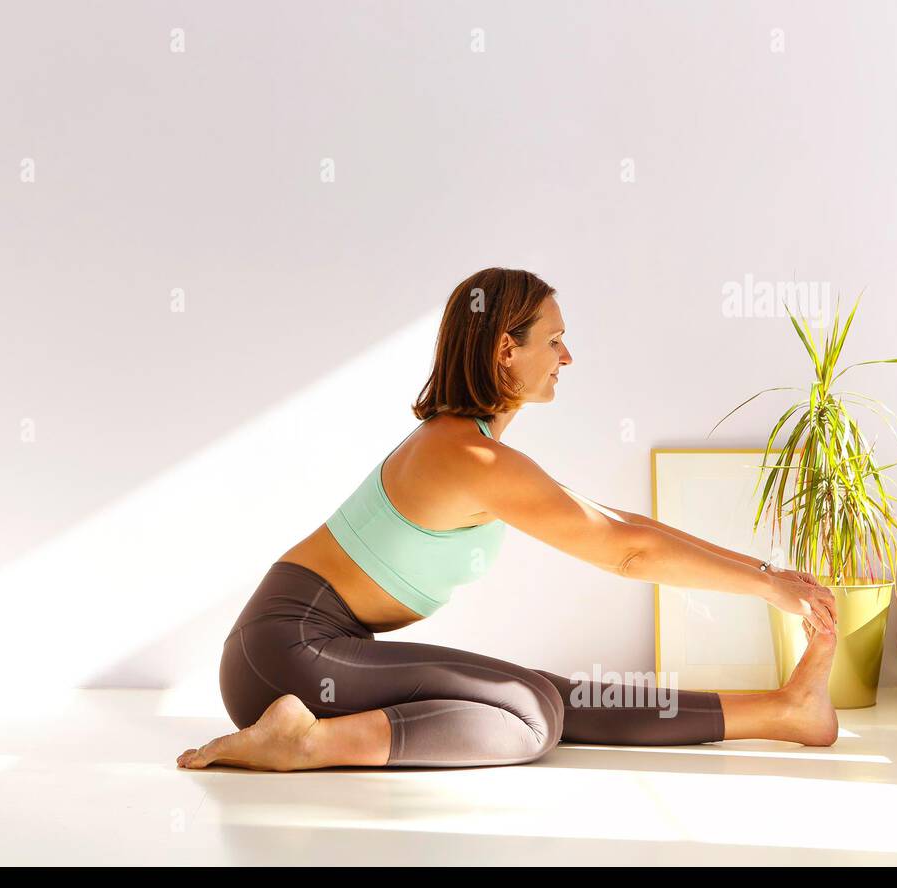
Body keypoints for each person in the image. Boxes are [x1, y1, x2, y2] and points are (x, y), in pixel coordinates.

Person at [177, 267, 839, 771]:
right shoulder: (465, 454)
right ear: (504, 350)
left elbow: (620, 522)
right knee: (528, 714)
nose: (566, 358)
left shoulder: (469, 446)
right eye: (554, 340)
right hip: (287, 655)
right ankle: (306, 742)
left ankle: (786, 713)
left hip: (304, 650)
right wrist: (769, 588)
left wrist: (768, 570)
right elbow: (625, 551)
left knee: (537, 695)